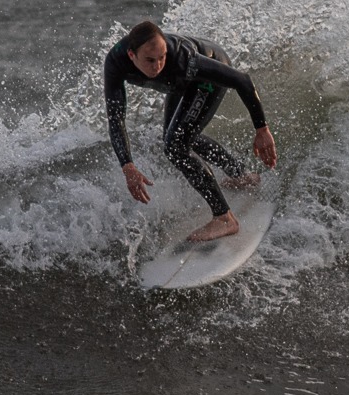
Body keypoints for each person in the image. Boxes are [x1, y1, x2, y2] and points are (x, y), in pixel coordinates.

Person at [103, 19, 278, 241]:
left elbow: (240, 79)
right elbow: (116, 117)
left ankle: (224, 218)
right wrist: (127, 165)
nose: (157, 66)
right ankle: (242, 176)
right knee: (180, 139)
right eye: (149, 60)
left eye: (161, 57)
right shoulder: (115, 63)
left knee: (176, 146)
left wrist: (262, 129)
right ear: (131, 55)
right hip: (179, 81)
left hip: (205, 77)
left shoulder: (182, 59)